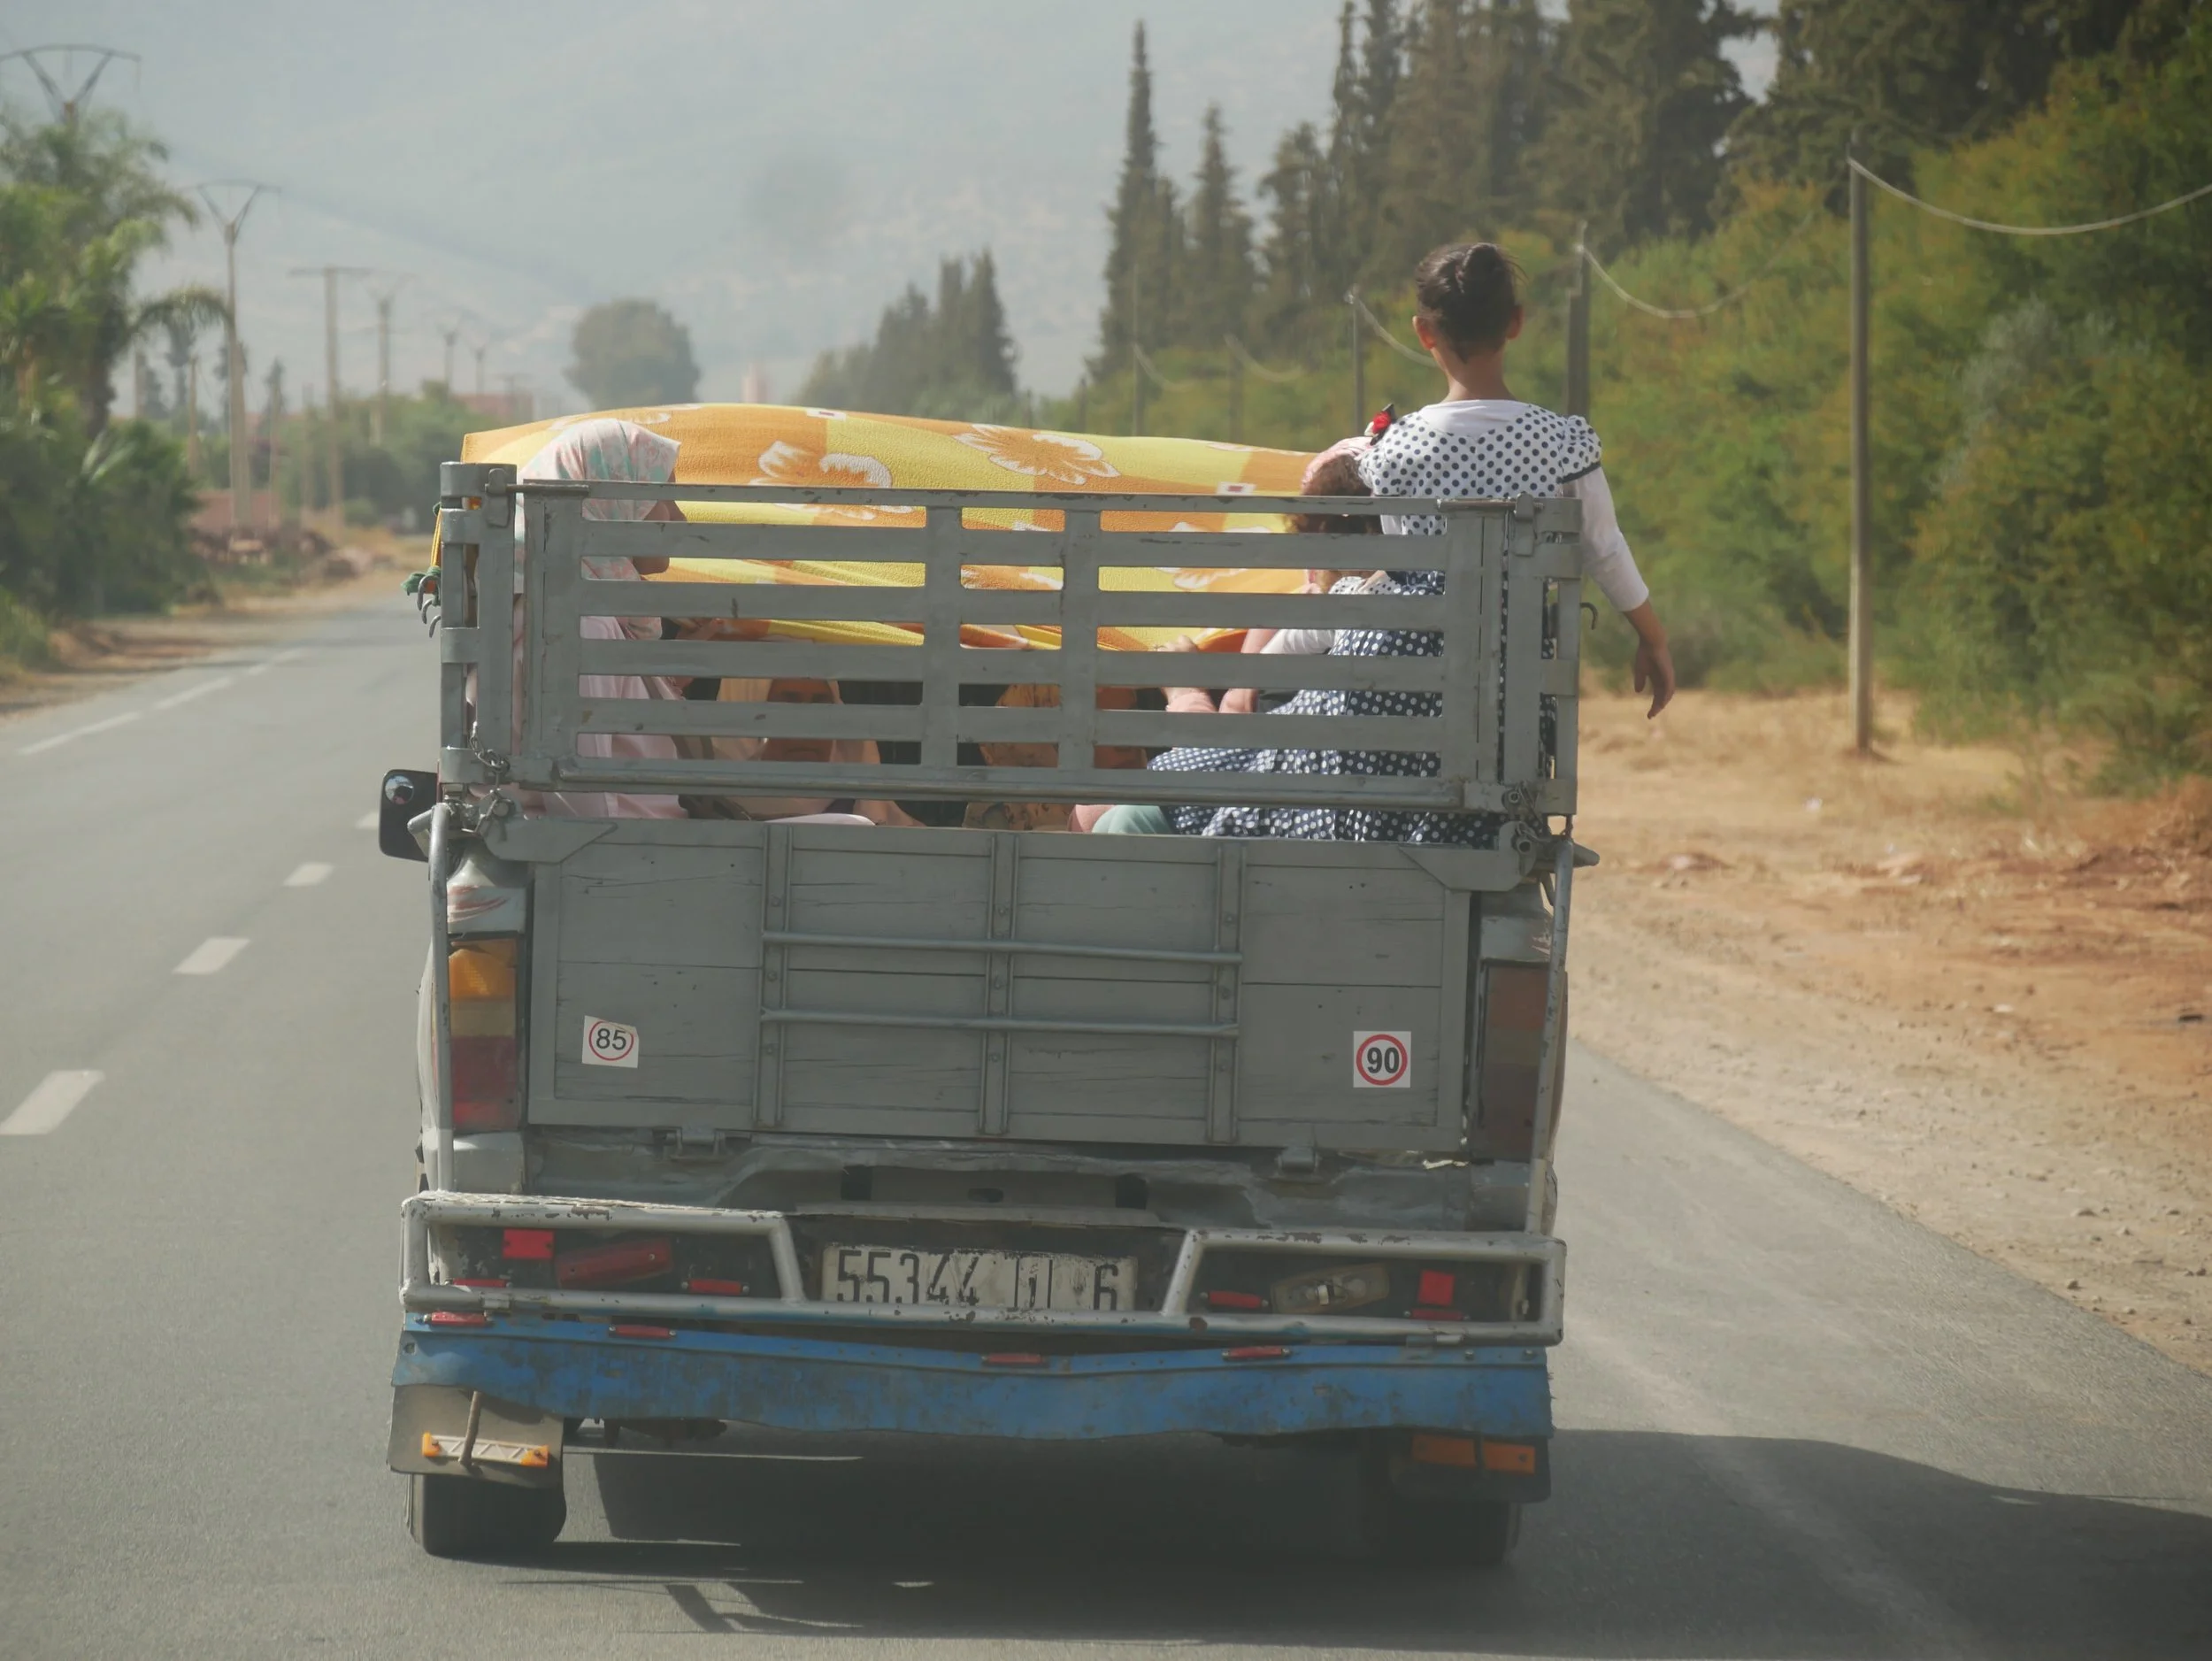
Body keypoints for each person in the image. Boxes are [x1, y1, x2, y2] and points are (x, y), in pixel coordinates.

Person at [1143, 241, 1672, 845]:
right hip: (1506, 716)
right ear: (1517, 323)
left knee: (1229, 764)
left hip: (1388, 710)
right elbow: (1604, 547)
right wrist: (1651, 639)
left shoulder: (1395, 451)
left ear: (1424, 333)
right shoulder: (1563, 443)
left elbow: (1394, 579)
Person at [511, 419, 690, 820]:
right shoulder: (581, 625)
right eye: (666, 496)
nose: (678, 519)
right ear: (610, 501)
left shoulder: (587, 612)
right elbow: (578, 790)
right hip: (625, 850)